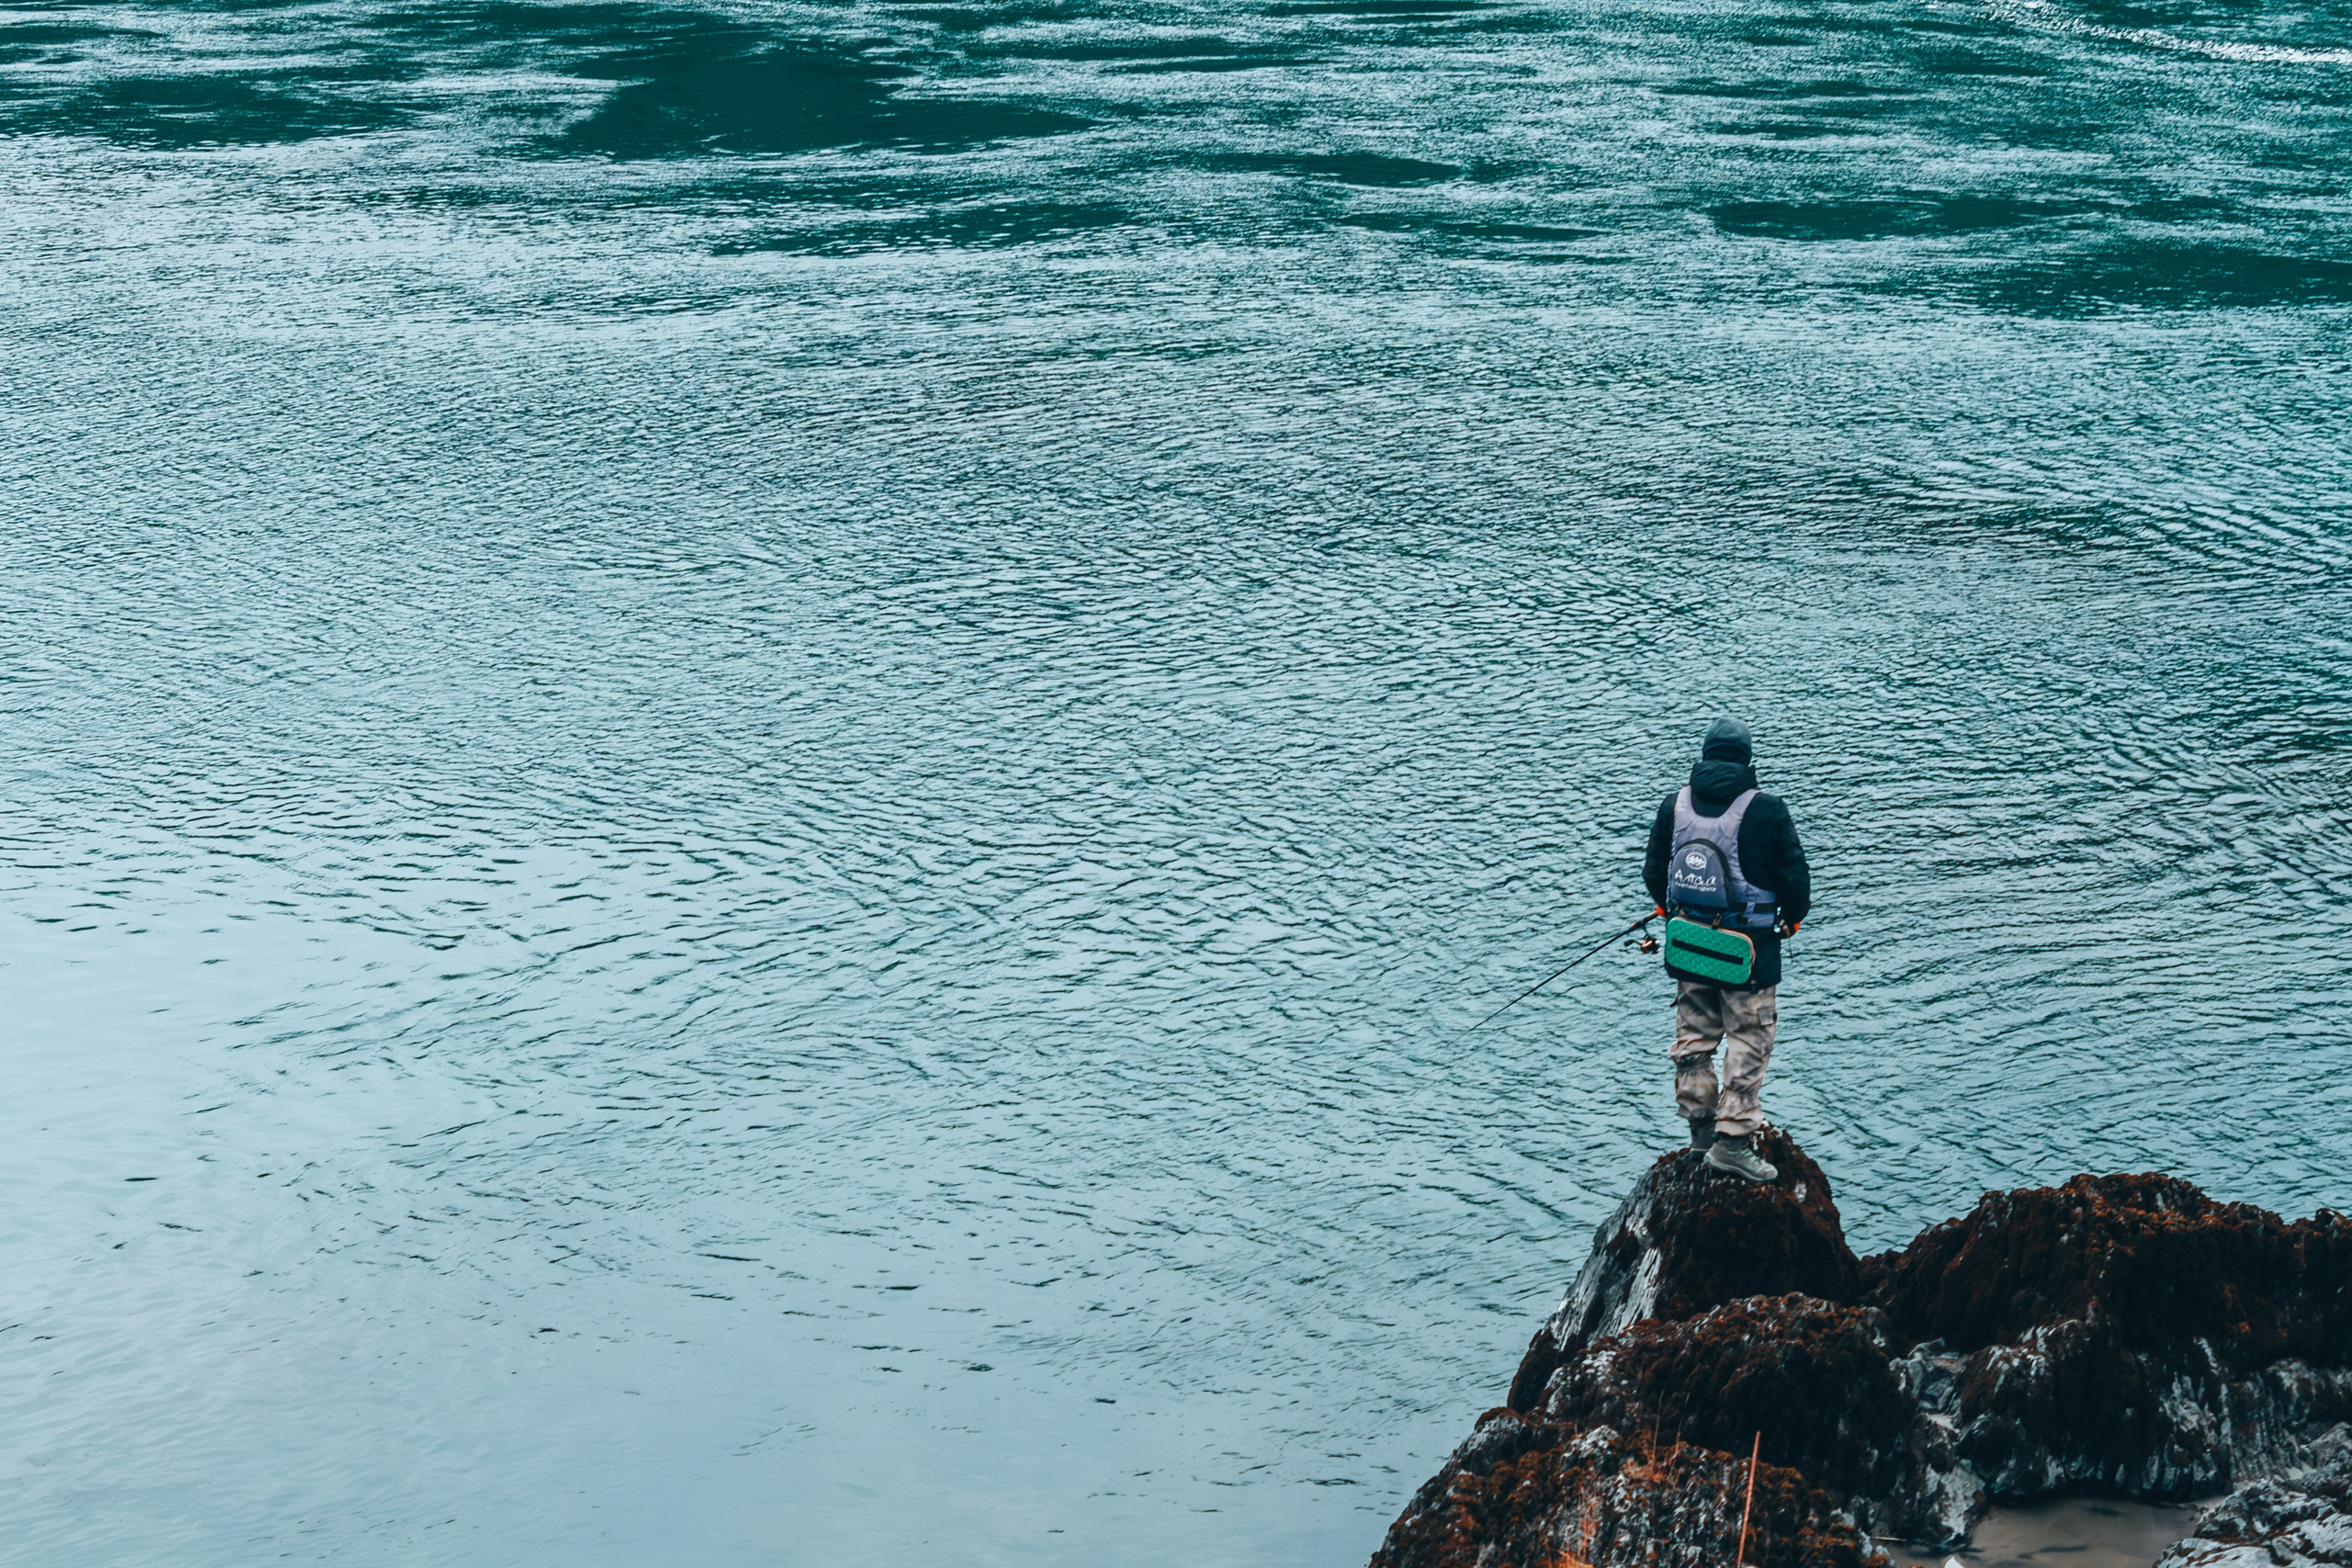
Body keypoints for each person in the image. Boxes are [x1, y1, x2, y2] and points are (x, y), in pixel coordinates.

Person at [1642, 719, 1811, 1182]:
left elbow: (1655, 870)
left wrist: (1670, 911)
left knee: (1693, 1039)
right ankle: (1732, 1141)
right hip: (1748, 953)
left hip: (1689, 946)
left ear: (1705, 756)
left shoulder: (1673, 805)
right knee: (1749, 1039)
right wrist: (1792, 920)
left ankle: (1700, 1134)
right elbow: (1794, 879)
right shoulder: (1768, 810)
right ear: (1747, 761)